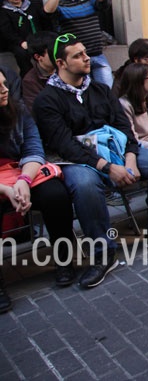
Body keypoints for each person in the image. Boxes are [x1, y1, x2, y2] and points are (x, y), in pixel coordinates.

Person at [34, 34, 148, 289]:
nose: (87, 58)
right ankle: (103, 254)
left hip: (117, 150)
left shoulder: (99, 89)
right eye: (78, 55)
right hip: (77, 160)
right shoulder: (46, 99)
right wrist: (108, 167)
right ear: (61, 63)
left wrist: (130, 158)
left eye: (85, 52)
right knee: (85, 186)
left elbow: (123, 127)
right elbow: (64, 145)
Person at [0, 68, 77, 312]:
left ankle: (64, 259)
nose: (4, 90)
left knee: (55, 194)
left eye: (4, 84)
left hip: (20, 171)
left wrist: (23, 180)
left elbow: (33, 149)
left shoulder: (18, 110)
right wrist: (6, 190)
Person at [43, 0, 113, 87]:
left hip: (97, 54)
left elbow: (106, 3)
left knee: (106, 88)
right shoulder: (59, 5)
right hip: (77, 58)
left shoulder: (89, 0)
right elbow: (48, 11)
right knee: (84, 89)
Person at [0, 0, 47, 76]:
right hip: (18, 42)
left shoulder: (31, 7)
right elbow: (7, 32)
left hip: (35, 39)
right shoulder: (4, 12)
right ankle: (28, 77)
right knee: (22, 54)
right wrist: (21, 42)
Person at [22, 32, 57, 112]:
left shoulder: (67, 68)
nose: (57, 55)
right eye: (52, 52)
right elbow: (38, 110)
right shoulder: (30, 81)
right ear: (38, 57)